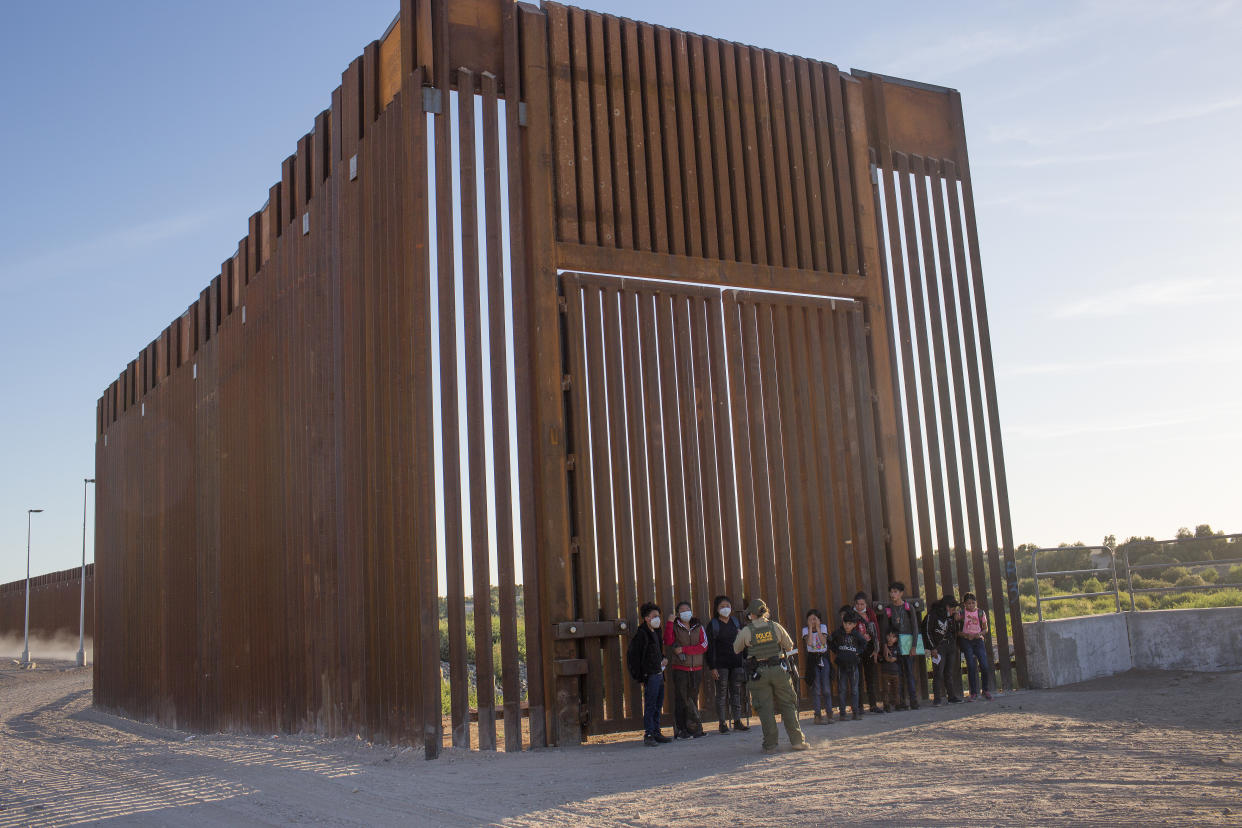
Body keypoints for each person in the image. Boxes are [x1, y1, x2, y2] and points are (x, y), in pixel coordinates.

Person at [732, 599, 809, 752]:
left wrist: (741, 636)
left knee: (765, 709)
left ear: (751, 615)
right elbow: (789, 645)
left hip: (758, 673)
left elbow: (736, 649)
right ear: (765, 611)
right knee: (788, 705)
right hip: (779, 669)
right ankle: (797, 741)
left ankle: (770, 745)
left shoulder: (747, 630)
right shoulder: (775, 626)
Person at [626, 602, 671, 746]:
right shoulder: (641, 635)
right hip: (650, 675)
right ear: (646, 618)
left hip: (658, 673)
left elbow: (658, 651)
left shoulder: (656, 632)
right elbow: (633, 657)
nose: (657, 618)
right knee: (650, 704)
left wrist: (663, 659)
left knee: (658, 704)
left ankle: (656, 731)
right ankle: (649, 734)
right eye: (654, 616)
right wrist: (640, 675)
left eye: (658, 616)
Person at [705, 595, 750, 734]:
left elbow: (744, 642)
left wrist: (744, 659)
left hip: (736, 663)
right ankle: (722, 723)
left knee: (736, 693)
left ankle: (737, 721)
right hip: (721, 665)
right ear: (716, 609)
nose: (725, 609)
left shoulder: (736, 622)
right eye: (722, 606)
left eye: (727, 606)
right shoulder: (713, 625)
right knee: (722, 694)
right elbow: (709, 648)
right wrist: (712, 667)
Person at [663, 600, 708, 738]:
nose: (685, 612)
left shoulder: (698, 626)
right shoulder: (675, 626)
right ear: (677, 614)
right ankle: (681, 730)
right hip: (680, 668)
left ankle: (694, 728)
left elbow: (704, 645)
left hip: (697, 668)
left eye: (687, 609)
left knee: (693, 699)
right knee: (681, 699)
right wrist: (670, 623)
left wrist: (684, 649)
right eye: (682, 610)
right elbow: (668, 641)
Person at [879, 581, 921, 710]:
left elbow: (915, 627)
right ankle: (900, 701)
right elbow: (885, 629)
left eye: (895, 592)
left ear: (901, 593)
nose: (893, 594)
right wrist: (885, 646)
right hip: (895, 645)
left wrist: (914, 646)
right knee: (898, 674)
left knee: (909, 671)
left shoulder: (909, 608)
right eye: (891, 592)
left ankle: (913, 700)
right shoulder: (888, 610)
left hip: (908, 642)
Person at [922, 593, 963, 705]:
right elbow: (926, 632)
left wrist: (957, 621)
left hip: (950, 646)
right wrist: (932, 648)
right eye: (953, 608)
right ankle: (937, 698)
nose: (955, 610)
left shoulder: (951, 617)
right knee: (938, 673)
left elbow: (954, 631)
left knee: (949, 672)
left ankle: (952, 696)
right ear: (947, 607)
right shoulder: (932, 615)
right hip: (938, 647)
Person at [956, 593, 994, 701]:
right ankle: (973, 692)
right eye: (968, 603)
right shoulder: (962, 613)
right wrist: (966, 635)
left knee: (984, 665)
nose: (971, 605)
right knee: (971, 666)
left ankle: (985, 690)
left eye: (973, 603)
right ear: (964, 604)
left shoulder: (981, 613)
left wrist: (980, 633)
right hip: (966, 640)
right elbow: (957, 631)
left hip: (978, 640)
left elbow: (985, 629)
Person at [830, 608, 866, 720]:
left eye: (849, 624)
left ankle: (855, 712)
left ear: (854, 624)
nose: (847, 626)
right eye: (845, 623)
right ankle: (842, 713)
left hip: (854, 665)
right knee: (842, 689)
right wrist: (837, 651)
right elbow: (830, 640)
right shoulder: (838, 632)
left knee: (854, 690)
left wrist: (858, 652)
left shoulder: (857, 634)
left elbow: (864, 643)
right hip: (841, 665)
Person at [853, 592, 883, 714]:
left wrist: (876, 649)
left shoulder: (870, 613)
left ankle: (873, 704)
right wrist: (860, 636)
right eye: (858, 604)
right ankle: (859, 706)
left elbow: (876, 630)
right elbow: (849, 630)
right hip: (857, 650)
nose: (860, 606)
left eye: (862, 604)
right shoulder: (851, 614)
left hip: (870, 649)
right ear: (854, 604)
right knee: (858, 678)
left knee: (870, 677)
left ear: (866, 604)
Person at [802, 609, 833, 725]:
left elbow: (824, 642)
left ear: (820, 620)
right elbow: (809, 643)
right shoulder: (805, 630)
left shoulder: (823, 628)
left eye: (815, 619)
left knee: (826, 687)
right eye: (810, 619)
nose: (812, 621)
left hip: (823, 658)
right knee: (816, 688)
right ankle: (817, 715)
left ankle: (829, 713)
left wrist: (818, 629)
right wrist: (810, 629)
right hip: (812, 660)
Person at [878, 629, 904, 712]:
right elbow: (879, 659)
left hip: (895, 673)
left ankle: (897, 704)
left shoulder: (897, 648)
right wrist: (885, 658)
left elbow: (900, 659)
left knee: (896, 689)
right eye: (889, 636)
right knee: (886, 690)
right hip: (886, 672)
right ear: (886, 637)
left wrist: (895, 659)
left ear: (896, 639)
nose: (890, 638)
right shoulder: (883, 648)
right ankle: (886, 705)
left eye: (893, 637)